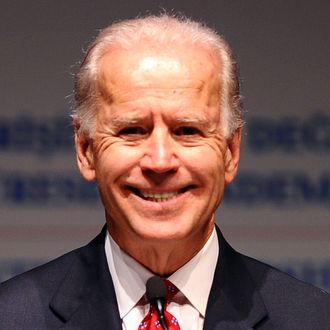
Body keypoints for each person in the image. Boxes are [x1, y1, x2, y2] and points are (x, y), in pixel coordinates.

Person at [0, 14, 329, 330]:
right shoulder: (11, 317)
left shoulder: (313, 319)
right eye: (131, 130)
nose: (159, 162)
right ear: (86, 150)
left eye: (187, 131)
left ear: (231, 151)